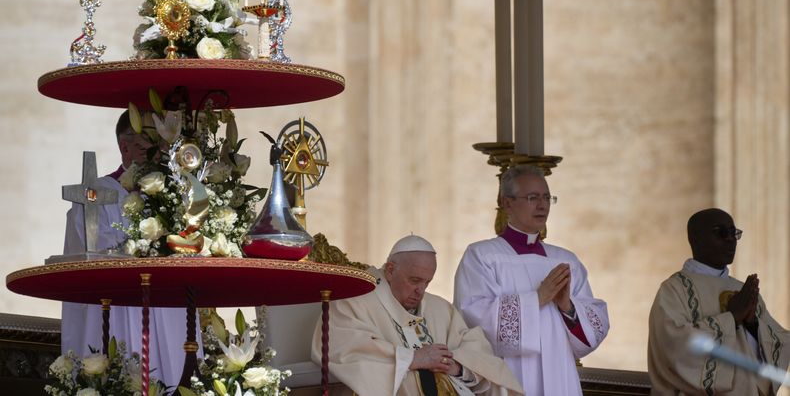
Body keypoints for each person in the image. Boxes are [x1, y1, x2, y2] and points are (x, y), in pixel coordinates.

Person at [61, 110, 197, 389]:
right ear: (126, 147)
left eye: (161, 146)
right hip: (118, 302)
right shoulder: (97, 193)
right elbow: (96, 247)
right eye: (149, 147)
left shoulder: (172, 194)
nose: (158, 155)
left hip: (167, 303)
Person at [453, 165, 609, 396]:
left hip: (560, 373)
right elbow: (473, 320)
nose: (542, 205)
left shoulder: (566, 260)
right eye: (532, 197)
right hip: (508, 375)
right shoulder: (482, 256)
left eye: (547, 197)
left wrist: (568, 308)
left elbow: (593, 331)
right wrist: (536, 299)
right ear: (507, 203)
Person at [310, 234, 523, 396]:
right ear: (390, 270)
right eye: (414, 280)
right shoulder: (354, 301)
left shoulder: (441, 309)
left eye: (427, 282)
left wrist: (457, 366)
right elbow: (343, 349)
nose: (421, 291)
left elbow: (477, 350)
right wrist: (412, 358)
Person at [647, 208, 790, 395]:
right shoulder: (674, 290)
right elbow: (673, 347)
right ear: (695, 238)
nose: (730, 239)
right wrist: (731, 318)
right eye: (721, 232)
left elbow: (779, 343)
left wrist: (753, 325)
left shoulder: (743, 290)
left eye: (733, 232)